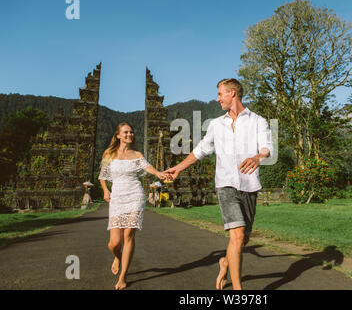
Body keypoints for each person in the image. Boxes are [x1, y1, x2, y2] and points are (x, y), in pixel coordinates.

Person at [164, 78, 273, 290]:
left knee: (243, 240)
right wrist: (178, 168)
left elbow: (267, 147)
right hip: (226, 185)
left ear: (232, 93)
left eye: (220, 94)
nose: (217, 98)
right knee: (238, 234)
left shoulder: (258, 121)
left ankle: (225, 262)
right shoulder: (216, 124)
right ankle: (238, 290)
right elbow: (200, 150)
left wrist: (258, 157)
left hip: (249, 186)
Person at [99, 122, 168, 290]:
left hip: (135, 195)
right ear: (118, 135)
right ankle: (118, 256)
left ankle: (123, 276)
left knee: (129, 234)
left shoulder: (137, 154)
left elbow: (148, 167)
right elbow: (102, 175)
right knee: (114, 243)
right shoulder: (109, 154)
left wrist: (158, 173)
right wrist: (105, 191)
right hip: (117, 197)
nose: (129, 134)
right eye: (126, 132)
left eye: (131, 132)